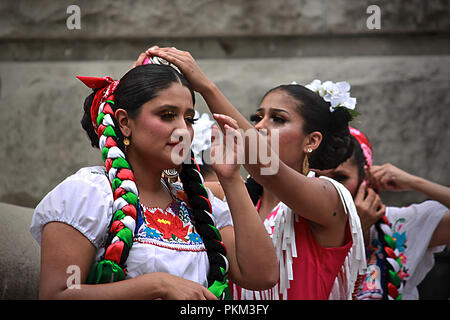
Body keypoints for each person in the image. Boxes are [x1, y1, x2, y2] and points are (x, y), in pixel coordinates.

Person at [30, 59, 278, 299]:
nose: (183, 130)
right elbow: (57, 294)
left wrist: (231, 179)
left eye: (189, 119)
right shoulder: (88, 193)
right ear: (125, 123)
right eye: (167, 115)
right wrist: (157, 286)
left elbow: (261, 275)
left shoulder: (198, 201)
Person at [135, 47, 367, 300]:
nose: (260, 126)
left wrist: (206, 88)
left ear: (311, 141)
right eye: (257, 117)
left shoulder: (330, 195)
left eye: (278, 119)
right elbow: (158, 182)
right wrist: (142, 91)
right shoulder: (233, 196)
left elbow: (266, 168)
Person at [317, 126, 450, 299]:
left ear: (365, 178)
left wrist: (414, 182)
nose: (329, 188)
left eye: (340, 178)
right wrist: (352, 231)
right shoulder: (288, 230)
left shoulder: (399, 223)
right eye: (317, 178)